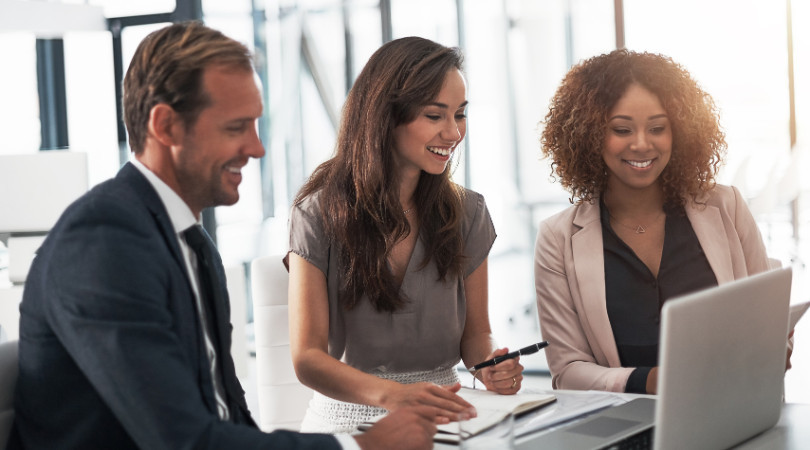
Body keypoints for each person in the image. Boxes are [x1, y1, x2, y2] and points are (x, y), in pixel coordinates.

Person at [9, 22, 438, 450]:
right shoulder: (102, 245)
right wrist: (356, 446)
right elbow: (185, 442)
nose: (257, 148)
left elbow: (225, 411)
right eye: (236, 127)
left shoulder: (189, 242)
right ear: (167, 127)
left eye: (256, 125)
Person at [285, 36, 524, 434]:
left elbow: (477, 335)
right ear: (387, 116)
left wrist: (490, 367)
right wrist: (392, 396)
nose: (453, 133)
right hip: (348, 420)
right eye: (435, 116)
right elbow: (307, 357)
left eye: (460, 115)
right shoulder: (317, 213)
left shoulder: (467, 212)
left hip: (443, 416)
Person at [534, 49, 791, 395]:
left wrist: (777, 349)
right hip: (625, 425)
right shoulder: (557, 238)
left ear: (679, 132)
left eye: (657, 128)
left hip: (729, 411)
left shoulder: (726, 206)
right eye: (622, 129)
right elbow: (567, 371)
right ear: (590, 135)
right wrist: (648, 380)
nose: (641, 144)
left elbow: (764, 318)